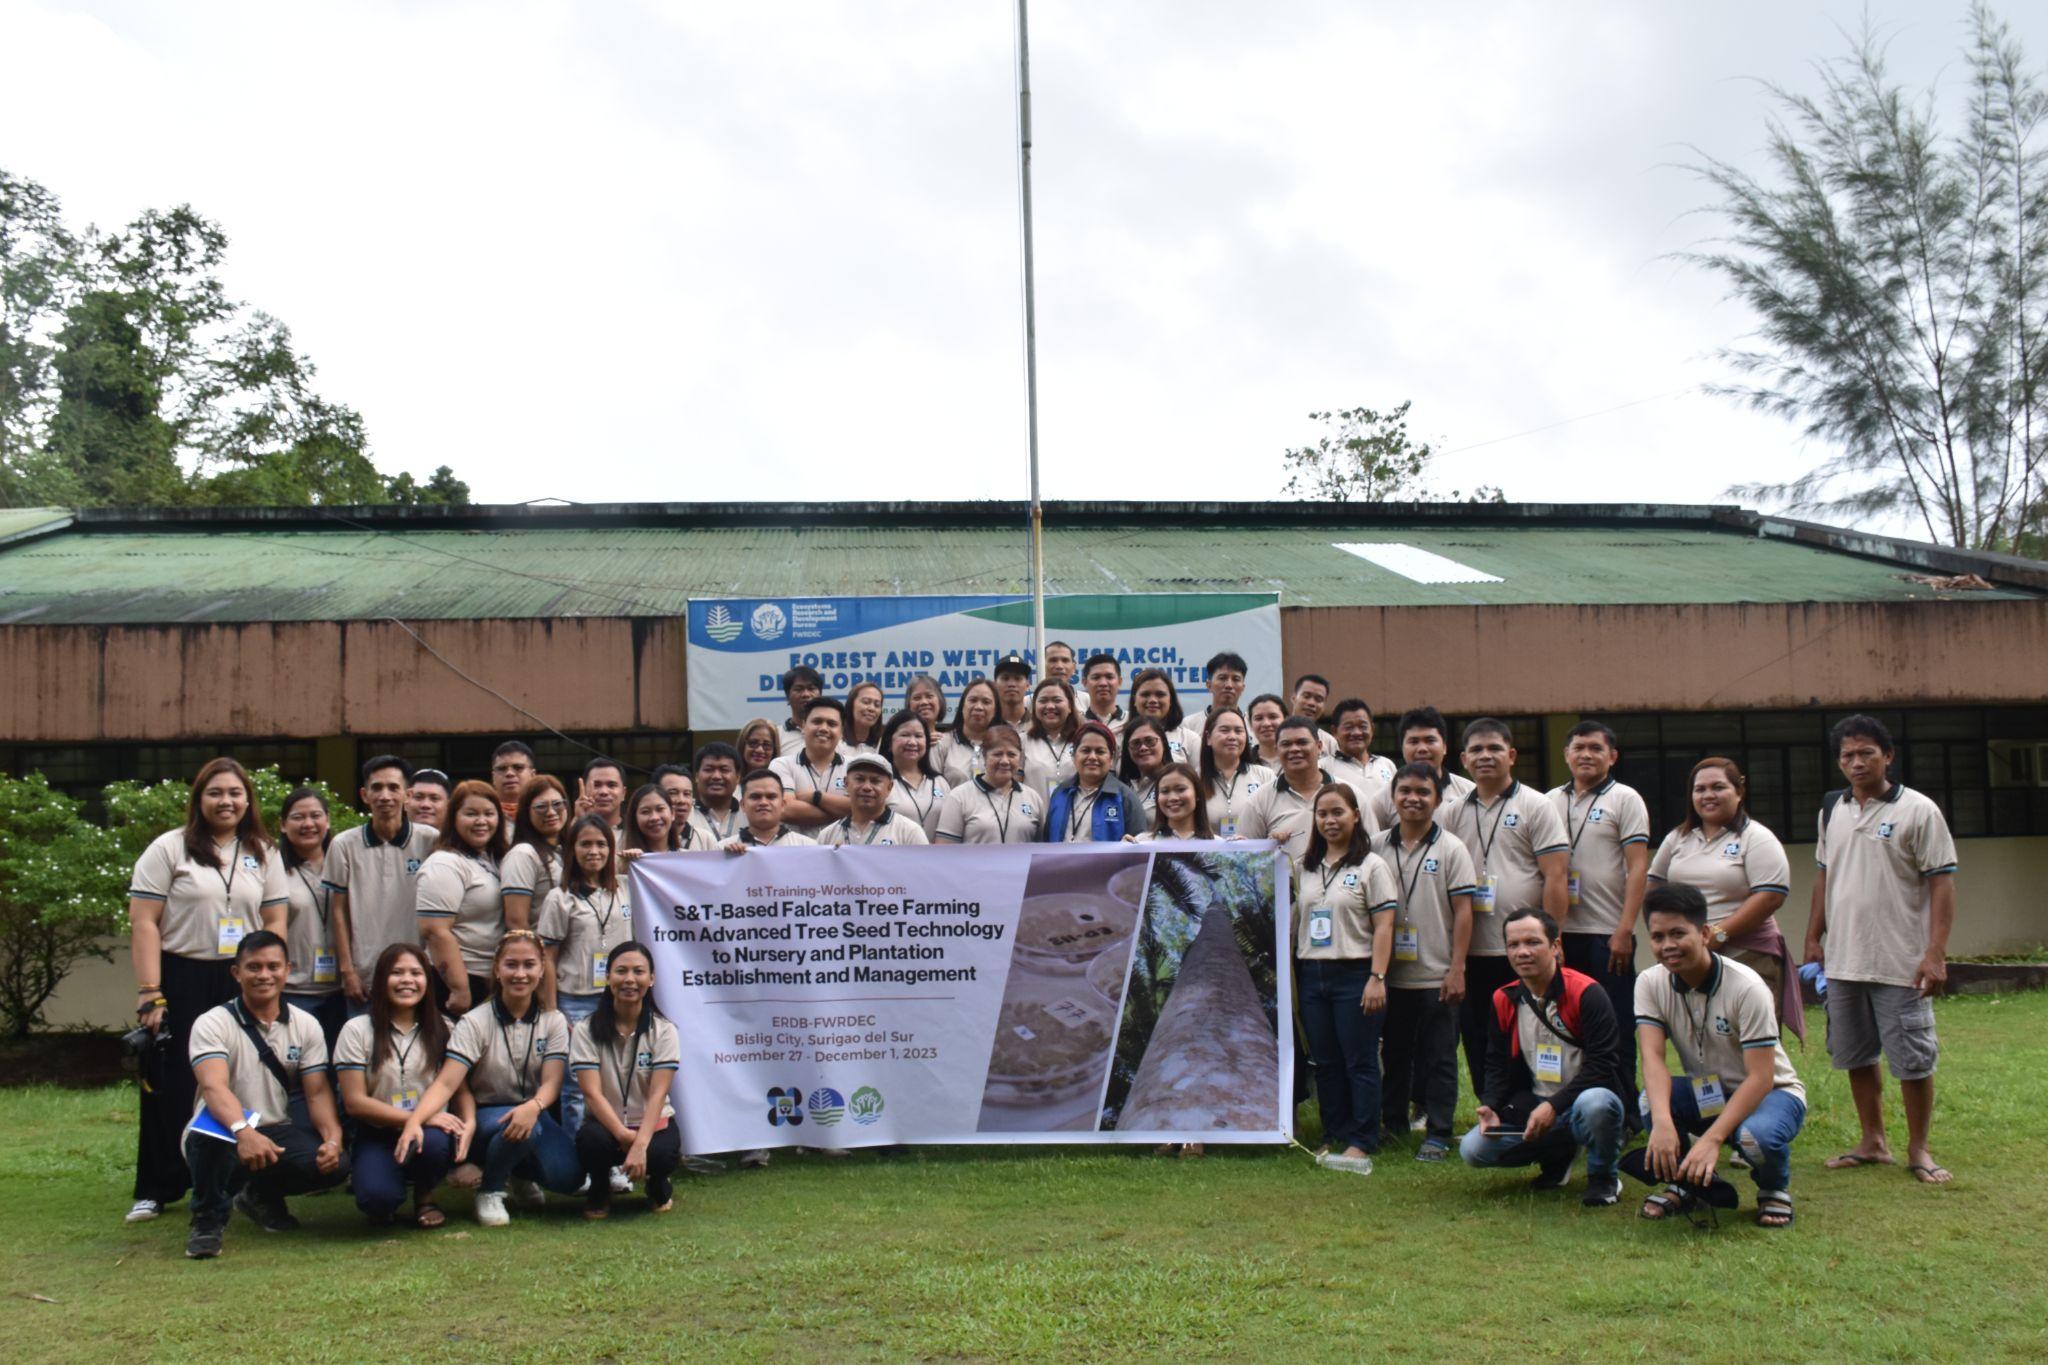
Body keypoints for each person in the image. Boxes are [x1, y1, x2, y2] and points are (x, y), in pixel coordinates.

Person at [126, 757, 290, 1225]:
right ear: (199, 799)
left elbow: (275, 920)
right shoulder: (169, 848)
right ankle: (156, 1187)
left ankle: (240, 1182)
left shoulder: (263, 851)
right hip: (181, 976)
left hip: (242, 977)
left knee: (244, 1079)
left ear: (248, 800)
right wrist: (150, 991)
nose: (227, 801)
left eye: (236, 793)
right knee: (170, 1079)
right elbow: (144, 922)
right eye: (216, 792)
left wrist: (269, 973)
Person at [1806, 715, 1959, 1185]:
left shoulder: (1919, 810)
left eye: (1866, 753)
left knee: (1912, 1059)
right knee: (1855, 1054)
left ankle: (1919, 1148)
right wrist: (1814, 936)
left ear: (1887, 756)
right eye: (1847, 755)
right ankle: (1873, 1141)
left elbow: (1942, 883)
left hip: (1901, 962)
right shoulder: (1832, 809)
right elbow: (1825, 876)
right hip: (1845, 961)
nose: (1856, 762)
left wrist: (1935, 953)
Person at [1632, 884, 1806, 1229]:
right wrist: (1663, 1122)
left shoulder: (1747, 987)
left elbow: (1761, 1077)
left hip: (1771, 1093)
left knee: (1755, 1137)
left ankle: (1773, 1187)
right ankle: (1684, 1183)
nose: (1667, 945)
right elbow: (1652, 1058)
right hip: (1708, 1092)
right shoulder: (1650, 983)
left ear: (1705, 933)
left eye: (1678, 933)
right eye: (1657, 936)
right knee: (1650, 1104)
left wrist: (1712, 1139)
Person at [179, 930, 348, 1258]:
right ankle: (207, 1221)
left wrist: (332, 1139)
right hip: (220, 1126)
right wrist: (243, 1131)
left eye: (273, 966)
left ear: (288, 969)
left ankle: (259, 1195)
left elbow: (317, 1094)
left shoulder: (306, 1025)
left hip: (274, 1128)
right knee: (210, 1140)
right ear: (236, 972)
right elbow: (214, 1088)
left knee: (334, 1165)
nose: (265, 975)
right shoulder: (212, 1023)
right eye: (254, 967)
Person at [400, 931, 579, 1226]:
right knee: (524, 1128)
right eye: (511, 965)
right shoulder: (475, 1021)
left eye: (529, 965)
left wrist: (533, 1108)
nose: (520, 974)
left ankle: (519, 1173)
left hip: (533, 1110)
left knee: (568, 1179)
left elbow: (552, 1083)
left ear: (541, 969)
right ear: (497, 969)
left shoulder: (554, 1020)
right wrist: (414, 1120)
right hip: (484, 1117)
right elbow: (446, 1083)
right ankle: (491, 1189)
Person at [1460, 908, 1626, 1207]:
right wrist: (1492, 1106)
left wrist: (1554, 1105)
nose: (1522, 952)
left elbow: (1603, 1065)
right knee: (1473, 1150)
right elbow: (1496, 1063)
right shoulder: (1504, 998)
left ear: (1556, 947)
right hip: (1534, 1104)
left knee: (1597, 1104)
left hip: (1583, 1100)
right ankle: (1559, 1156)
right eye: (1513, 945)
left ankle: (1604, 1177)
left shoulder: (1587, 993)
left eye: (1533, 942)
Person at [1442, 718, 1569, 1099]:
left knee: (1526, 1032)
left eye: (1494, 748)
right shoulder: (1452, 812)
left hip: (1522, 950)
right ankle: (1491, 1108)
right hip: (1472, 949)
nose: (1485, 756)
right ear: (1464, 759)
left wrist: (1553, 939)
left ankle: (1533, 1106)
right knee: (1478, 1034)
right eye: (1476, 750)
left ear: (1511, 755)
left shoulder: (1536, 805)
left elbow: (1556, 876)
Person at [1647, 757, 1801, 1039]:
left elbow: (1770, 897)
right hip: (1690, 956)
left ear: (1739, 792)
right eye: (1699, 789)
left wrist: (1717, 934)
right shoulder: (1678, 838)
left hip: (1748, 953)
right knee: (1701, 1038)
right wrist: (1668, 934)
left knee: (1750, 1037)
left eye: (1718, 787)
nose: (1708, 795)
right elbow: (1655, 887)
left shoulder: (1756, 838)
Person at [1547, 721, 1651, 1117]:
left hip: (1607, 934)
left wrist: (1625, 929)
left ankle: (1624, 1109)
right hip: (1562, 935)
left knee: (1616, 1026)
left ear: (1613, 756)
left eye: (1595, 748)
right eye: (1578, 747)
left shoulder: (1625, 798)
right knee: (1566, 1026)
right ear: (1566, 755)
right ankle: (1571, 1107)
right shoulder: (1550, 800)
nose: (1586, 755)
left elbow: (1637, 867)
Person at [1295, 784, 1399, 1161]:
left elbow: (1385, 927)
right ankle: (1333, 1132)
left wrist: (1377, 977)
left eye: (1337, 812)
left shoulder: (1372, 867)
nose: (1329, 820)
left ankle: (1363, 1138)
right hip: (1312, 975)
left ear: (1356, 815)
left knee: (1360, 1060)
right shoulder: (1304, 868)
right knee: (1325, 1062)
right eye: (1322, 814)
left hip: (1355, 973)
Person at [1378, 763, 1477, 1161]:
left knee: (1438, 1057)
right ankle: (1394, 1122)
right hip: (1392, 976)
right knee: (1395, 1054)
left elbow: (1465, 913)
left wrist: (1457, 969)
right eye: (1405, 791)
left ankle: (1438, 1131)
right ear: (1393, 796)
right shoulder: (1375, 845)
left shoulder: (1451, 848)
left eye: (1423, 792)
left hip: (1437, 974)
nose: (1413, 798)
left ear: (1437, 799)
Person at [334, 943, 467, 1228]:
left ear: (427, 982)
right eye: (397, 973)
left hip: (429, 1134)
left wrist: (436, 1123)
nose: (407, 980)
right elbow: (354, 1102)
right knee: (377, 1201)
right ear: (381, 981)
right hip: (378, 1131)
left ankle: (425, 1198)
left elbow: (460, 1088)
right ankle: (386, 1192)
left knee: (435, 1143)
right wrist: (417, 1119)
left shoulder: (445, 1029)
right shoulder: (356, 1030)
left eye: (416, 973)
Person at [572, 942, 683, 1218]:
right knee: (591, 1141)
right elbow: (592, 1094)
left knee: (662, 1154)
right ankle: (600, 1186)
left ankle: (657, 1183)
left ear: (652, 979)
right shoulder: (586, 1029)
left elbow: (658, 1094)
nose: (630, 979)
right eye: (621, 971)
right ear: (608, 977)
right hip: (606, 1125)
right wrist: (623, 1136)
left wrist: (641, 1143)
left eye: (639, 972)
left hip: (651, 1125)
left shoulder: (665, 1030)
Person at [539, 816, 633, 1140]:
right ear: (572, 850)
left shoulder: (625, 888)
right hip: (574, 1001)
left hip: (618, 1000)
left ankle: (614, 1160)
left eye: (601, 844)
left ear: (612, 848)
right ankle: (578, 1159)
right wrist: (552, 1011)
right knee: (577, 1086)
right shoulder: (560, 897)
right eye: (585, 844)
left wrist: (639, 861)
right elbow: (547, 958)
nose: (594, 851)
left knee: (617, 1082)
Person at [327, 755, 440, 1018]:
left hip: (418, 976)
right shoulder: (344, 845)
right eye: (376, 788)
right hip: (365, 978)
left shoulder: (431, 841)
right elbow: (338, 912)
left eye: (393, 787)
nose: (385, 795)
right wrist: (348, 971)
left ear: (408, 794)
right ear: (364, 795)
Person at [416, 779, 509, 1014]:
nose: (481, 821)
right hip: (459, 981)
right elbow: (435, 931)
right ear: (453, 817)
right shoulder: (444, 863)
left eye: (489, 813)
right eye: (471, 813)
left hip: (493, 979)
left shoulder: (491, 859)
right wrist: (459, 988)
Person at [1238, 716, 1376, 863]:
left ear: (1319, 746)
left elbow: (1371, 846)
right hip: (1283, 885)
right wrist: (1269, 846)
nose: (1294, 749)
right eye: (1286, 744)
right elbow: (1245, 858)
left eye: (1302, 742)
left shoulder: (1350, 794)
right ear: (1277, 750)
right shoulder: (1259, 800)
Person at [277, 787, 346, 1052]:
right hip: (295, 990)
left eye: (315, 815)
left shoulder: (344, 863)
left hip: (344, 990)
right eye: (298, 817)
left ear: (327, 820)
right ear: (283, 825)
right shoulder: (274, 870)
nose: (308, 824)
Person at [1367, 707, 1475, 828]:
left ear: (1444, 747)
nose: (1422, 749)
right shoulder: (1382, 800)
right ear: (1402, 748)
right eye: (1414, 742)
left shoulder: (1468, 792)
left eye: (1430, 740)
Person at [936, 725, 1043, 844]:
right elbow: (945, 851)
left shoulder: (1033, 798)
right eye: (997, 754)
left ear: (1020, 757)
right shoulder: (958, 797)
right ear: (984, 756)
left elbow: (1041, 849)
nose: (1005, 761)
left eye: (1011, 755)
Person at [501, 775, 569, 949]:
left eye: (557, 804)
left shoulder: (565, 850)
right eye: (541, 807)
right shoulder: (523, 854)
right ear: (526, 813)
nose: (551, 812)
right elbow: (516, 922)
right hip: (543, 959)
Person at [1044, 721, 1141, 843]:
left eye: (1100, 751)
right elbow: (1046, 842)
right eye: (1085, 750)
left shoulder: (1125, 797)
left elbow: (1141, 846)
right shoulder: (1060, 793)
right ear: (1074, 755)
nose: (1092, 757)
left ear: (1111, 758)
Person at [770, 696, 852, 829]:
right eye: (817, 721)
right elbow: (785, 810)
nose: (824, 728)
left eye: (832, 724)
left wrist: (816, 797)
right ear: (803, 726)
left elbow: (864, 808)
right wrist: (845, 811)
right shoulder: (782, 765)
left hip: (842, 848)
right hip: (797, 849)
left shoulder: (854, 766)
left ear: (842, 731)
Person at [819, 754, 930, 845]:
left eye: (875, 781)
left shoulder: (909, 832)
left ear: (889, 787)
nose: (867, 787)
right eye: (860, 779)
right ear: (846, 783)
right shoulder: (827, 835)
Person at [1197, 707, 1273, 839]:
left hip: (1254, 857)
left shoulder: (1265, 776)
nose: (1232, 737)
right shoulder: (1194, 779)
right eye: (1224, 730)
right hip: (1209, 857)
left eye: (1238, 731)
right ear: (1208, 738)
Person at [881, 709, 950, 840]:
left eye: (918, 736)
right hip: (894, 857)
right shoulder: (880, 782)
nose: (912, 742)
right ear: (889, 742)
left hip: (936, 858)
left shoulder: (940, 782)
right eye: (905, 735)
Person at [1176, 651, 1249, 759]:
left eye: (1236, 679)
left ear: (1243, 687)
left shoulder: (1252, 724)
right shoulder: (1188, 725)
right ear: (1209, 685)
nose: (1229, 685)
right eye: (1222, 678)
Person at [725, 769, 819, 849]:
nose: (763, 802)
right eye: (755, 797)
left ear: (782, 804)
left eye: (771, 797)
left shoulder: (808, 847)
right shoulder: (723, 849)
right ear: (743, 805)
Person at [938, 678, 1001, 788]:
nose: (978, 707)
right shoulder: (942, 743)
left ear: (995, 711)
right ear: (962, 706)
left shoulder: (1003, 745)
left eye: (986, 702)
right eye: (973, 700)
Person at [1326, 699, 1396, 795]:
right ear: (1334, 732)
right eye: (1349, 727)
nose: (1356, 733)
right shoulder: (1324, 767)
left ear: (1372, 729)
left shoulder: (1387, 765)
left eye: (1363, 726)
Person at [1023, 677, 1080, 795]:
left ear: (1070, 706)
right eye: (1043, 701)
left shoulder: (1083, 739)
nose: (1050, 706)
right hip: (1035, 812)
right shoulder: (1022, 741)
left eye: (1057, 700)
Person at [1131, 763, 1214, 841]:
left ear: (1197, 794)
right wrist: (1123, 852)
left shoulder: (1217, 845)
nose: (1173, 798)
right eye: (1165, 791)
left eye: (1181, 789)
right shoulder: (1143, 842)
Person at [1118, 717, 1175, 819]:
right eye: (1136, 743)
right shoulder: (1124, 788)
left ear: (1164, 743)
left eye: (1150, 741)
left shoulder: (1178, 782)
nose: (1143, 748)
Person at [1127, 668, 1189, 762]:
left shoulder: (1189, 739)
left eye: (1160, 695)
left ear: (1170, 700)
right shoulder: (1119, 737)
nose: (1153, 700)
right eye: (1145, 694)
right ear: (1134, 700)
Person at [689, 743, 745, 844]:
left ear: (738, 777)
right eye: (708, 769)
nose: (716, 776)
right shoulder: (684, 814)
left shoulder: (749, 815)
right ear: (697, 776)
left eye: (724, 770)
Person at [652, 766, 708, 850]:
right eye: (672, 793)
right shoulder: (638, 839)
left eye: (687, 794)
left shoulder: (705, 839)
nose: (681, 800)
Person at [621, 783, 682, 859]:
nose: (654, 817)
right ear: (635, 818)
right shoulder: (625, 861)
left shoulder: (687, 859)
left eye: (660, 809)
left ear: (672, 813)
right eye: (645, 812)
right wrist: (630, 862)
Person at [777, 665, 825, 756]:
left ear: (820, 694)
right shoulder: (777, 736)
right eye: (798, 689)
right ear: (787, 697)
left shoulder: (833, 732)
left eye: (811, 689)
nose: (806, 694)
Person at [1289, 673, 1338, 756]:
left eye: (1318, 699)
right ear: (1294, 698)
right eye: (1306, 696)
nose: (1311, 703)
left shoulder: (1329, 742)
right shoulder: (1273, 734)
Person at [576, 756, 629, 834]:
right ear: (584, 790)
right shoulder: (569, 833)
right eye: (596, 785)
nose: (604, 792)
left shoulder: (636, 833)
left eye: (611, 785)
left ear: (623, 793)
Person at [488, 741, 537, 823]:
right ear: (493, 777)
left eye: (518, 767)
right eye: (502, 769)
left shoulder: (545, 812)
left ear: (533, 775)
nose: (509, 773)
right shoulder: (483, 817)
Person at [1079, 653, 1126, 736]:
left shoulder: (1130, 722)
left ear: (1120, 682)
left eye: (1109, 677)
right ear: (1084, 682)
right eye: (1096, 677)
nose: (1103, 683)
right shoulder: (1077, 724)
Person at [1247, 693, 1291, 768]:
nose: (1266, 724)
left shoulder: (1298, 759)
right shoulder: (1243, 763)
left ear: (1286, 720)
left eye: (1273, 717)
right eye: (1259, 718)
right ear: (1250, 724)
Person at [845, 681, 888, 754]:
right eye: (866, 702)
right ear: (851, 704)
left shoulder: (884, 743)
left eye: (877, 705)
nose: (872, 708)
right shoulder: (836, 741)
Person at [993, 651, 1034, 729]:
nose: (1011, 684)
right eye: (1005, 678)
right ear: (995, 685)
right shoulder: (986, 726)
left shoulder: (1040, 727)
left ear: (1027, 685)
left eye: (1018, 678)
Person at [904, 674, 949, 738]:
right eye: (917, 698)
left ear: (940, 701)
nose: (924, 702)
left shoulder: (951, 743)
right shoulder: (901, 743)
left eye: (929, 696)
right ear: (908, 704)